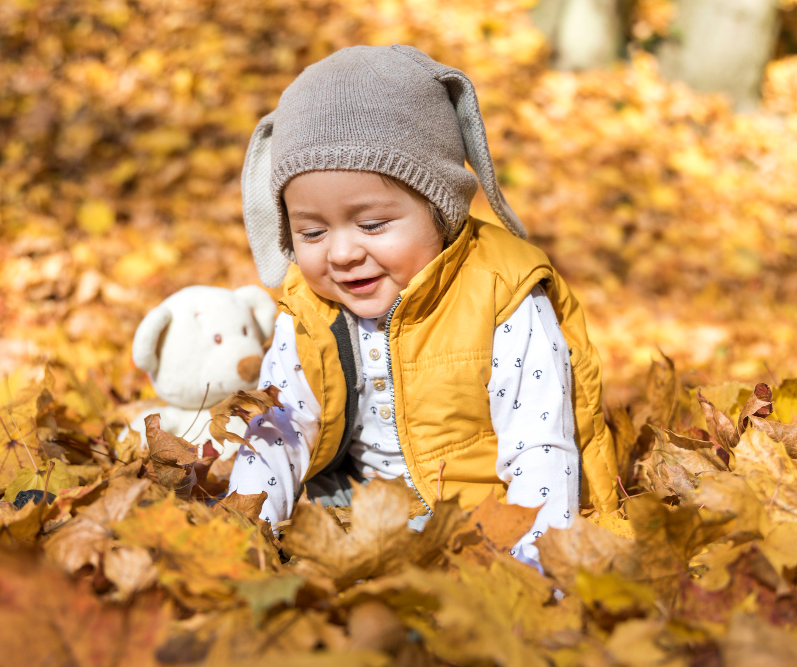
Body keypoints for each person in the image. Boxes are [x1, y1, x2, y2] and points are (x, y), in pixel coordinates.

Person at [229, 44, 618, 566]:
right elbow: (280, 429)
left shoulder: (503, 294)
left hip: (485, 519)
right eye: (312, 231)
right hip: (357, 504)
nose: (342, 253)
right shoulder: (307, 308)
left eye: (371, 225)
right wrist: (246, 527)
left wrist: (533, 566)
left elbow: (540, 449)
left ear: (441, 210)